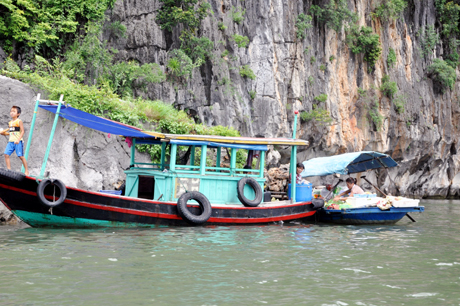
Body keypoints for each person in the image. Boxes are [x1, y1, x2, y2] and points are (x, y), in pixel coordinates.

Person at [1, 106, 29, 175]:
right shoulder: (10, 122)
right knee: (6, 154)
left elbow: (22, 131)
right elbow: (11, 133)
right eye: (11, 111)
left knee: (21, 156)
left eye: (14, 111)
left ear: (18, 114)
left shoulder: (19, 121)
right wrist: (4, 133)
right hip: (11, 142)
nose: (12, 113)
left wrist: (18, 140)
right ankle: (9, 170)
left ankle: (27, 171)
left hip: (18, 142)